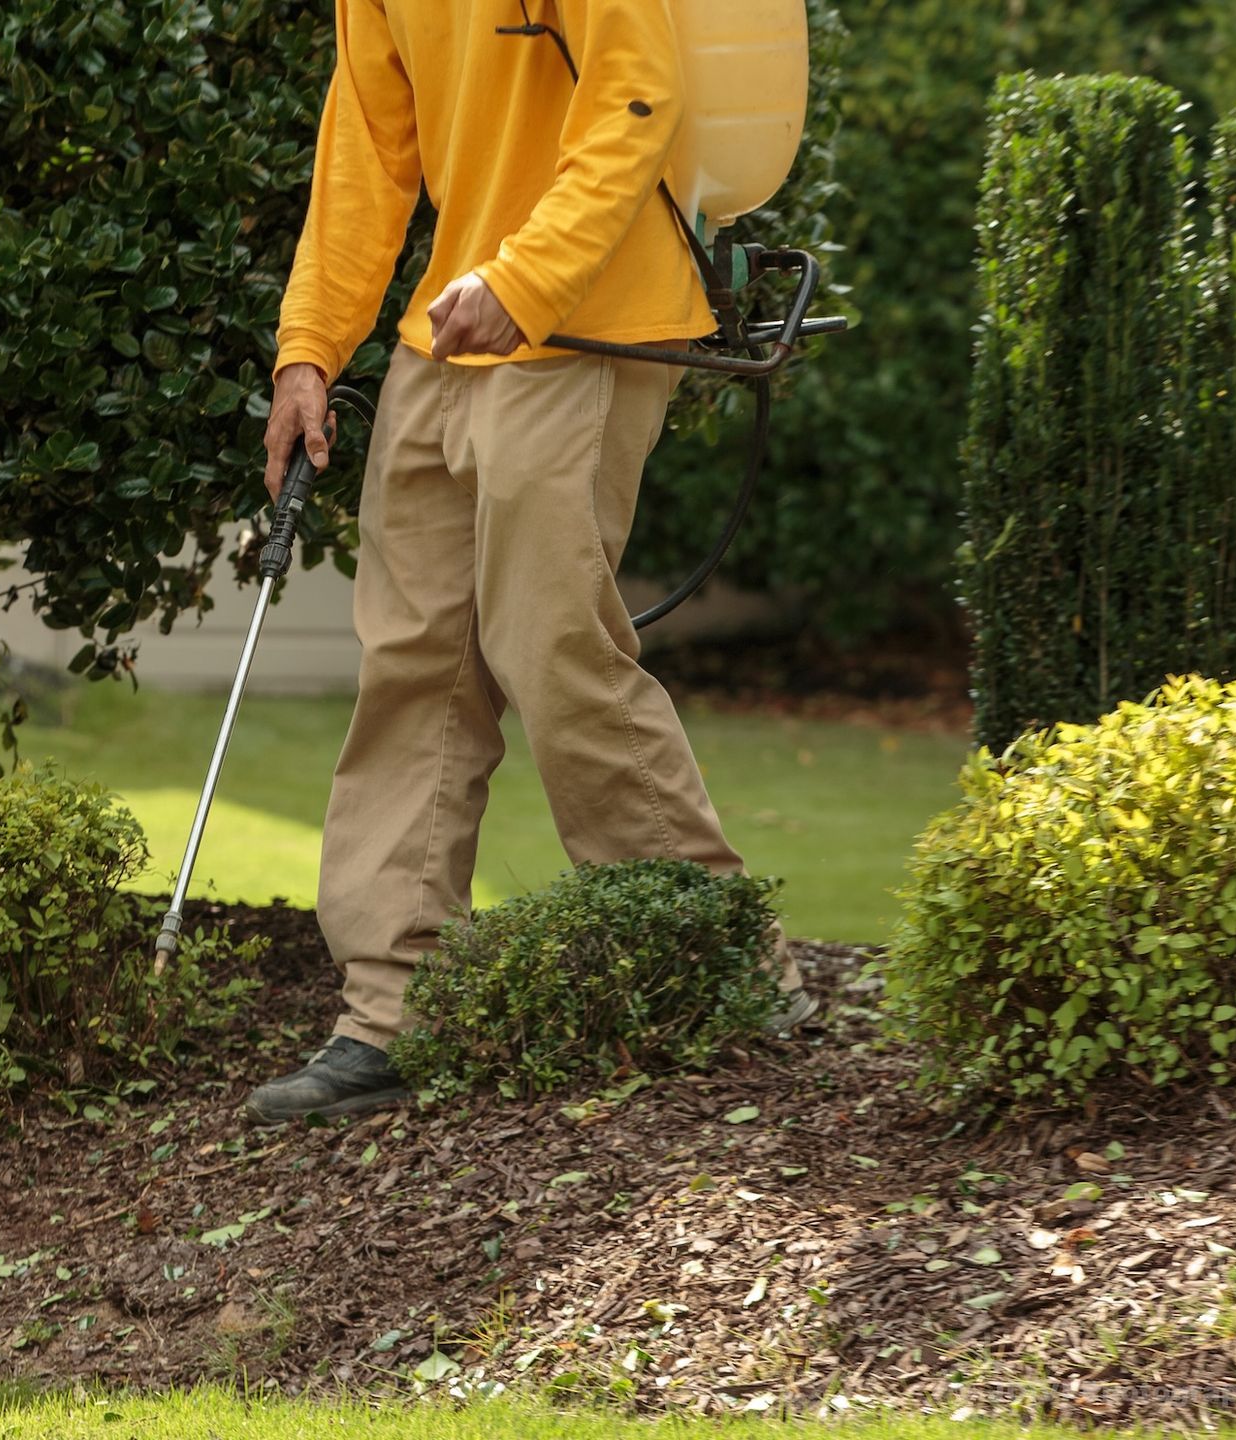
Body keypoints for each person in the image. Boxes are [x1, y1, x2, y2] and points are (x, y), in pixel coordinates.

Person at [242, 0, 815, 1125]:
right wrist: (310, 347)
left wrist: (526, 281)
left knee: (551, 646)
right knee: (411, 663)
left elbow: (637, 94)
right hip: (450, 327)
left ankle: (717, 956)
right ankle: (391, 1012)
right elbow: (366, 149)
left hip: (586, 314)